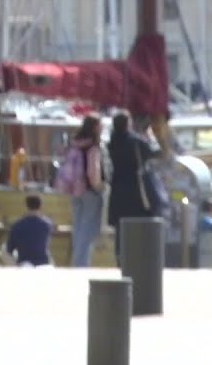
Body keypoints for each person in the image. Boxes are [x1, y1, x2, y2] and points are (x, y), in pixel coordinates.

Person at [106, 112, 160, 263]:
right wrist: (148, 136)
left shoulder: (111, 142)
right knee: (139, 223)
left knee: (121, 226)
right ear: (128, 123)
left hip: (117, 188)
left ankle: (120, 258)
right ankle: (139, 258)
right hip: (136, 188)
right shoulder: (136, 142)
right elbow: (153, 153)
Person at [67, 115, 106, 267]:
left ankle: (77, 261)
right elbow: (93, 170)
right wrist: (99, 186)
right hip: (90, 191)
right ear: (95, 127)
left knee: (78, 226)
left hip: (75, 190)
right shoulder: (93, 147)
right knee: (88, 228)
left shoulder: (75, 144)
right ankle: (81, 263)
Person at [6, 195, 54, 267]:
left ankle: (15, 269)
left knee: (4, 248)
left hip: (25, 262)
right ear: (40, 206)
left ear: (26, 206)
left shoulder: (17, 225)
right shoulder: (47, 224)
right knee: (47, 251)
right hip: (43, 262)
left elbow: (10, 249)